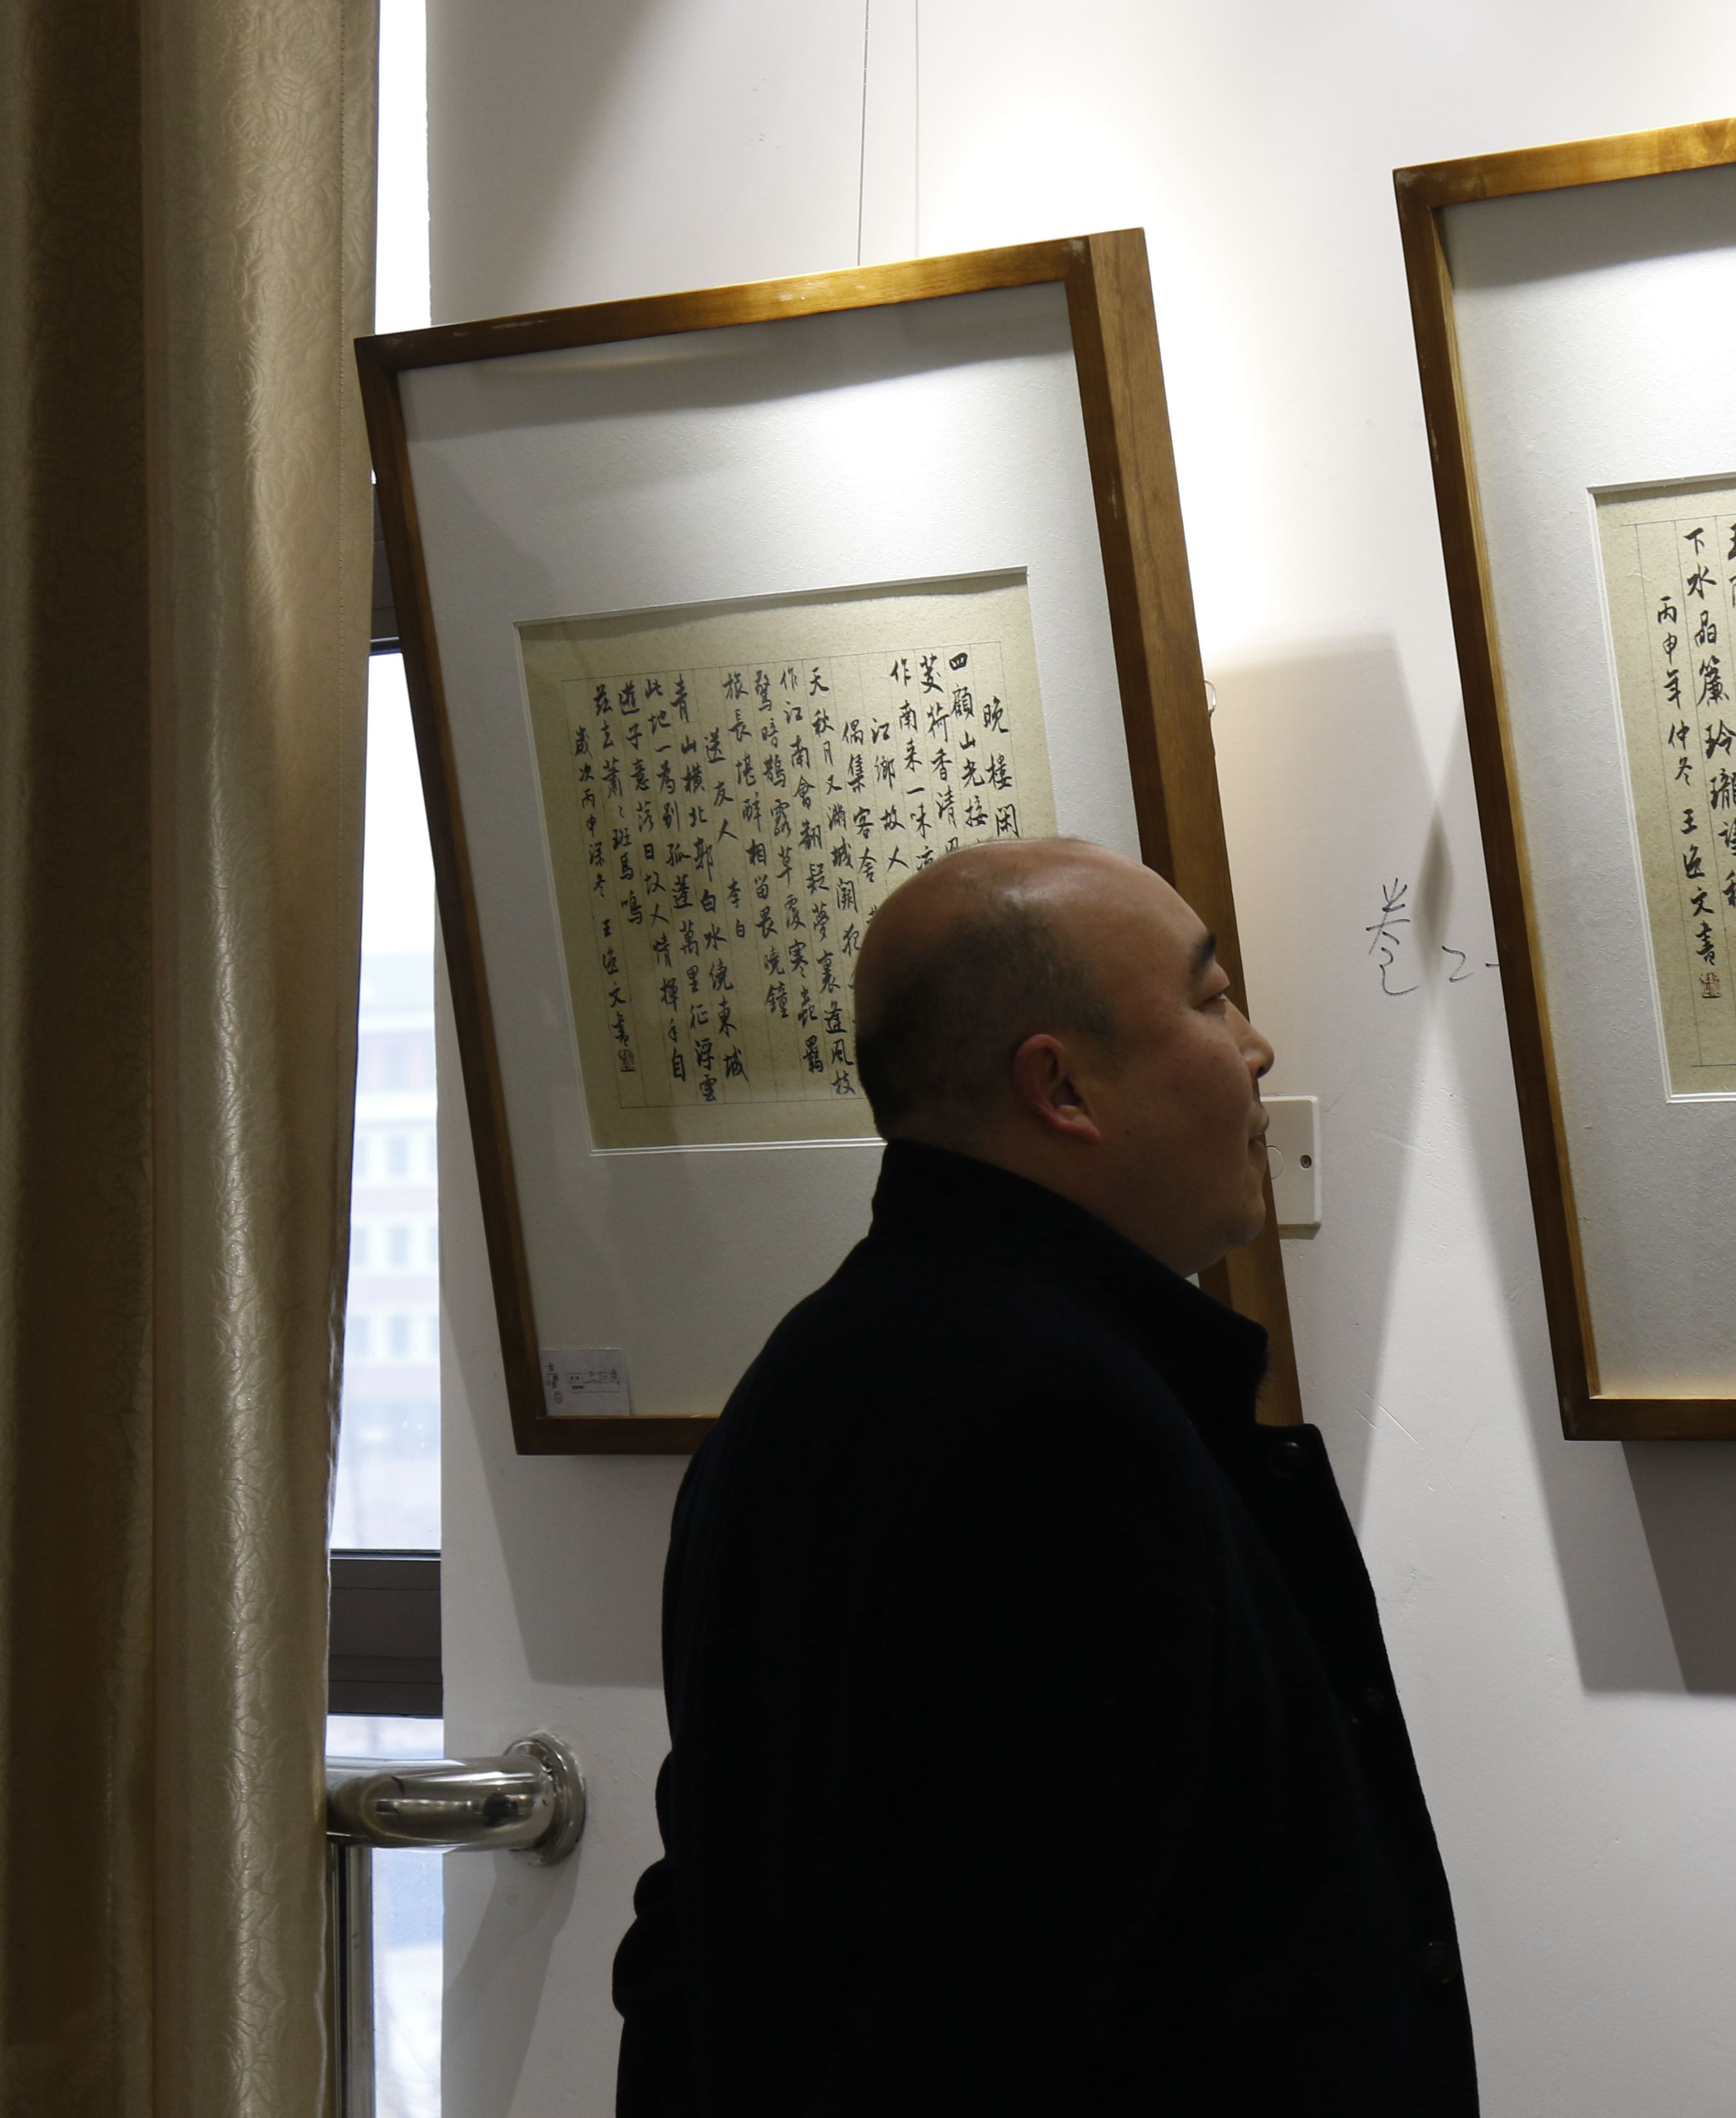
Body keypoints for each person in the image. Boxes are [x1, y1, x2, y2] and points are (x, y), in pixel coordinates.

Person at [612, 838, 1477, 2115]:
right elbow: (996, 2001)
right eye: (1210, 998)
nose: (1257, 1047)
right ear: (1061, 1086)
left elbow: (712, 1919)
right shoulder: (1060, 1431)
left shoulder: (814, 1371)